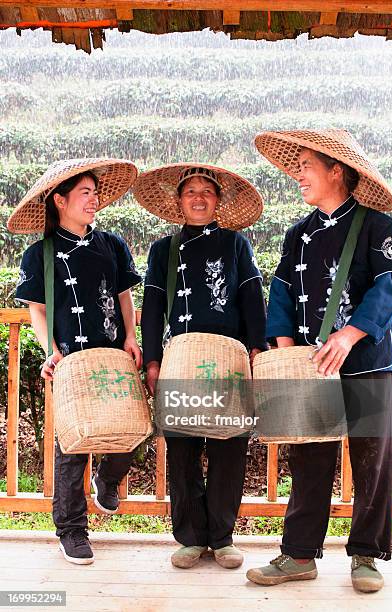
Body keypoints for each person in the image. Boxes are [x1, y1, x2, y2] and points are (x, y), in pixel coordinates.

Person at [247, 129, 392, 592]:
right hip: (310, 367)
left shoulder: (377, 224)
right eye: (295, 168)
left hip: (369, 361)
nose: (298, 175)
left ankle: (366, 557)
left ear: (336, 170)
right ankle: (298, 554)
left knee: (372, 460)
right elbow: (280, 296)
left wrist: (350, 333)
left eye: (306, 167)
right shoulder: (297, 234)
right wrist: (284, 351)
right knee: (309, 456)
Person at [8, 158, 143, 565]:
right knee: (71, 445)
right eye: (85, 193)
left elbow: (123, 295)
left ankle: (108, 478)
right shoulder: (40, 254)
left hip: (113, 355)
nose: (94, 200)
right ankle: (71, 530)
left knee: (135, 429)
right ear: (61, 201)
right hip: (72, 360)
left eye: (95, 193)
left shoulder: (112, 244)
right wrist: (51, 350)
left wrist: (132, 337)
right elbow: (38, 309)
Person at [134, 164, 267, 569]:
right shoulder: (163, 250)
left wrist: (256, 350)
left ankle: (222, 537)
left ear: (218, 201)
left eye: (206, 191)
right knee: (182, 446)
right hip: (180, 358)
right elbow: (153, 309)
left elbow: (250, 299)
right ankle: (191, 537)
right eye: (190, 191)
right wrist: (153, 361)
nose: (197, 197)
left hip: (228, 359)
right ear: (178, 201)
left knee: (229, 444)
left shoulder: (235, 244)